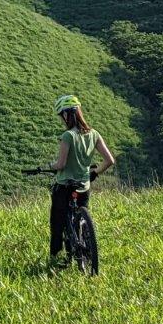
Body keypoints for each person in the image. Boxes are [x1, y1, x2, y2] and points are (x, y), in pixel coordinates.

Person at [45, 95, 115, 262]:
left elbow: (61, 164)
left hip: (64, 186)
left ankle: (55, 258)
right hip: (84, 186)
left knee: (57, 223)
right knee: (78, 219)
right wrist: (94, 173)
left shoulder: (68, 136)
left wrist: (50, 165)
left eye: (62, 115)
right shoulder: (94, 134)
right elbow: (109, 161)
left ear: (67, 115)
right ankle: (83, 255)